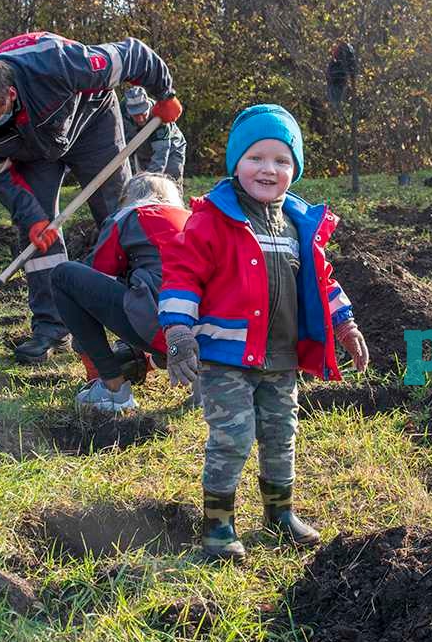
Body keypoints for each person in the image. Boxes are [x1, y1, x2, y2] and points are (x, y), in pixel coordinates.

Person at [158, 103, 369, 562]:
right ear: (236, 162)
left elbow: (321, 279)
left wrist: (345, 323)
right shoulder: (213, 219)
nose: (268, 170)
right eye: (256, 158)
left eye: (281, 160)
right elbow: (181, 277)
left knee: (280, 433)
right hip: (225, 357)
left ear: (295, 169)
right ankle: (219, 526)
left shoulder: (298, 225)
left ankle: (280, 513)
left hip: (280, 358)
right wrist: (178, 333)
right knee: (232, 437)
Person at [0, 31, 182, 365]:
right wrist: (33, 217)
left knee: (120, 217)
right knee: (38, 237)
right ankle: (52, 327)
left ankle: (135, 326)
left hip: (92, 125)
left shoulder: (60, 64)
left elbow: (133, 54)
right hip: (31, 152)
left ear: (10, 95)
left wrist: (164, 93)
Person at [50, 172, 191, 412]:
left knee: (64, 276)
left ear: (128, 197)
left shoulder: (128, 216)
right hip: (210, 336)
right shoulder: (194, 219)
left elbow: (100, 271)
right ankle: (154, 363)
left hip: (162, 324)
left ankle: (112, 387)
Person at [122, 86, 187, 182]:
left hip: (171, 148)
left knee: (169, 180)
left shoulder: (159, 118)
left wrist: (148, 181)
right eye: (135, 115)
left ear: (147, 106)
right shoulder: (121, 111)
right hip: (144, 148)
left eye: (143, 113)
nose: (140, 119)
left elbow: (160, 157)